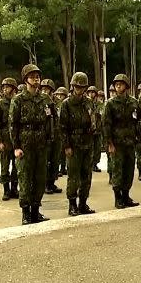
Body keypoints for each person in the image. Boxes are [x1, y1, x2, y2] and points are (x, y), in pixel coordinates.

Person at [10, 64, 53, 224]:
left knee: (40, 178)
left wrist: (49, 140)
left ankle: (36, 210)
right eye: (33, 77)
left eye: (37, 77)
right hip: (25, 144)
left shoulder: (45, 99)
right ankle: (26, 213)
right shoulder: (18, 100)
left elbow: (50, 121)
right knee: (25, 179)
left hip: (41, 144)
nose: (36, 79)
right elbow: (13, 124)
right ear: (26, 79)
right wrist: (16, 146)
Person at [59, 72, 97, 216]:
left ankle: (83, 203)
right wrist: (67, 146)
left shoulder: (88, 102)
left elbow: (93, 119)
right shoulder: (66, 104)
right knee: (73, 176)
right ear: (73, 87)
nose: (79, 89)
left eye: (82, 87)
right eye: (77, 87)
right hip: (74, 144)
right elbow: (62, 127)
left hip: (87, 143)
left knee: (86, 175)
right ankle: (72, 204)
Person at [103, 74, 141, 209]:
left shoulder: (133, 102)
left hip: (130, 143)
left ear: (126, 86)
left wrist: (138, 138)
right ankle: (118, 197)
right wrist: (109, 144)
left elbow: (137, 122)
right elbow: (106, 125)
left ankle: (126, 195)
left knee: (129, 170)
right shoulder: (110, 104)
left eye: (121, 83)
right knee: (117, 171)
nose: (118, 86)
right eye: (116, 84)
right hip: (117, 143)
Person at [0, 77, 19, 200]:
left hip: (15, 138)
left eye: (7, 87)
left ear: (13, 88)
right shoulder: (0, 104)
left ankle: (14, 189)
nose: (5, 89)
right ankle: (6, 190)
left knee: (17, 166)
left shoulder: (18, 101)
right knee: (5, 166)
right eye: (3, 87)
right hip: (5, 137)